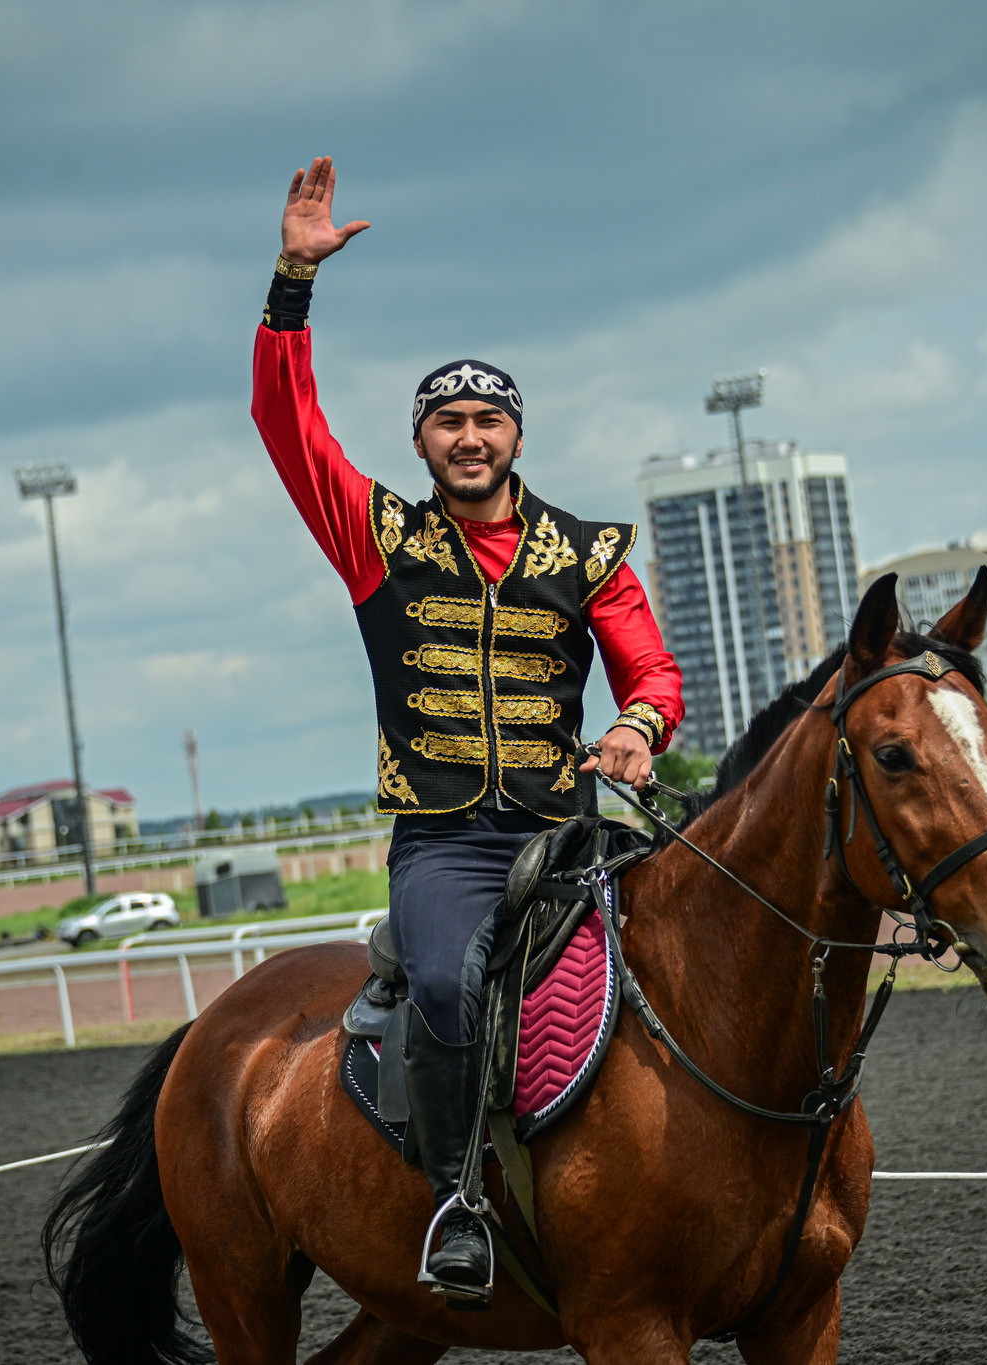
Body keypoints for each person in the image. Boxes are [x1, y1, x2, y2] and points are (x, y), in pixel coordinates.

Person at [250, 157, 684, 1305]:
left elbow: (650, 673)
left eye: (487, 418)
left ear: (516, 435)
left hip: (565, 830)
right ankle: (458, 1200)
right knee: (446, 984)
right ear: (422, 442)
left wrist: (639, 726)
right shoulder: (374, 537)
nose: (469, 435)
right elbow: (284, 424)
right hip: (445, 845)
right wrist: (293, 279)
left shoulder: (585, 554)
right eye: (447, 420)